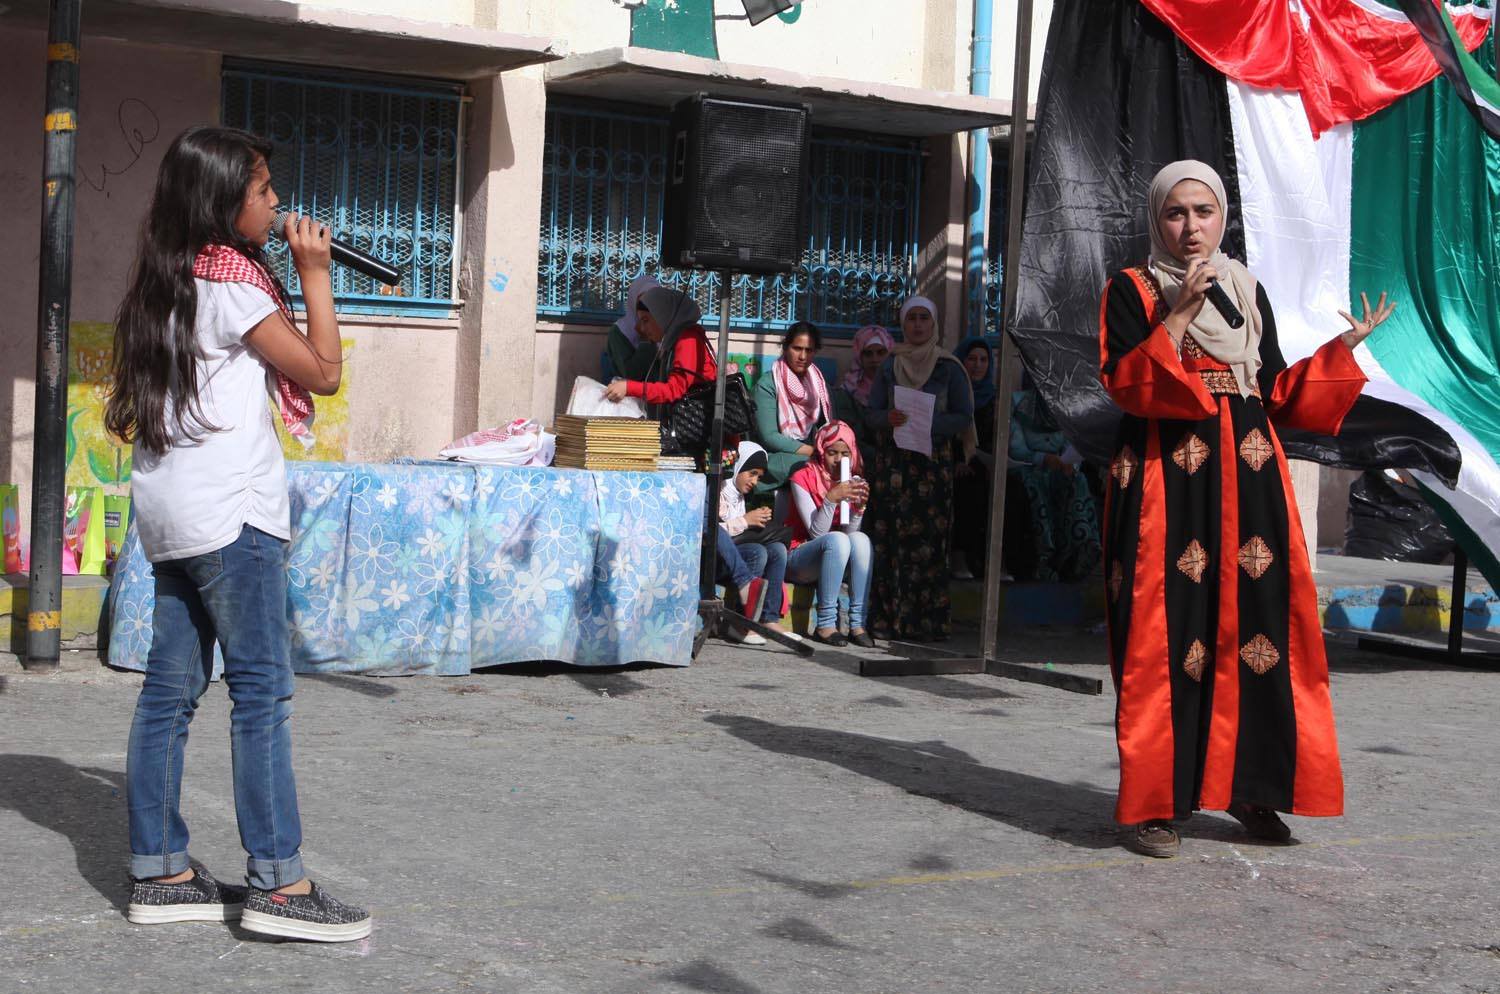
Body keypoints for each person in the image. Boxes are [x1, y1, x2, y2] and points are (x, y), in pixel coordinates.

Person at [105, 126, 371, 940]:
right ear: (223, 202)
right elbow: (323, 372)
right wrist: (315, 273)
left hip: (171, 514)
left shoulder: (164, 280)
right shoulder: (234, 284)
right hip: (233, 516)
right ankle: (280, 884)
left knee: (168, 693)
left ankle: (160, 870)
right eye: (262, 190)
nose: (278, 203)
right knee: (261, 693)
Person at [1099, 159, 1395, 858]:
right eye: (1176, 213)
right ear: (1157, 219)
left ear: (1222, 218)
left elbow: (1276, 390)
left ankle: (1250, 787)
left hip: (1249, 474)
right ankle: (1157, 806)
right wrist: (1179, 311)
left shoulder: (1245, 289)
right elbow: (1125, 383)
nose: (1190, 227)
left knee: (1260, 629)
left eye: (1203, 212)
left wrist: (1343, 350)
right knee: (1168, 633)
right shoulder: (1131, 288)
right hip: (1166, 480)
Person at [863, 297, 976, 641]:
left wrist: (929, 423)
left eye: (923, 318)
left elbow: (964, 415)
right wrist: (888, 418)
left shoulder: (949, 367)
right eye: (911, 318)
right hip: (894, 467)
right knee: (892, 542)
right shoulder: (891, 364)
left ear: (934, 323)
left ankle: (926, 623)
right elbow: (871, 414)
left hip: (932, 468)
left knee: (928, 542)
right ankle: (890, 621)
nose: (917, 325)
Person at [785, 422, 874, 647]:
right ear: (821, 451)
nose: (838, 460)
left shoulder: (853, 480)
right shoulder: (802, 477)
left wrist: (858, 509)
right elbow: (817, 534)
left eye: (845, 454)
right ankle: (825, 624)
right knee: (837, 539)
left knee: (860, 539)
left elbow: (850, 535)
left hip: (834, 557)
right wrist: (831, 499)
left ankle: (857, 623)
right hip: (799, 556)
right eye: (832, 452)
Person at [1006, 387, 1101, 582]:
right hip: (1028, 466)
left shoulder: (1066, 406)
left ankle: (1078, 550)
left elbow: (1072, 445)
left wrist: (1069, 463)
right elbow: (1016, 449)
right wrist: (1043, 458)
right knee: (1034, 484)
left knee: (1077, 480)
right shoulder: (1017, 403)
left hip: (1057, 467)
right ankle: (1043, 556)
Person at [604, 286, 717, 414]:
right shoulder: (671, 341)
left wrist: (629, 387)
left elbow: (675, 389)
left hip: (700, 421)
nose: (642, 328)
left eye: (646, 320)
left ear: (662, 315)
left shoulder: (688, 339)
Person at [753, 321, 831, 496]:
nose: (802, 356)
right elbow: (769, 437)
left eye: (809, 350)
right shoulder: (768, 384)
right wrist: (813, 452)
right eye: (797, 348)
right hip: (775, 455)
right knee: (810, 467)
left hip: (810, 452)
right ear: (785, 348)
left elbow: (824, 425)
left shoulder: (817, 383)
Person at [719, 441, 790, 629]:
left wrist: (756, 519)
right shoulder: (718, 490)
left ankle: (769, 618)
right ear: (737, 466)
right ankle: (741, 622)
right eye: (752, 473)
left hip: (734, 556)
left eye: (758, 476)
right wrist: (745, 521)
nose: (754, 481)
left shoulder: (739, 496)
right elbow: (710, 532)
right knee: (757, 552)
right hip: (717, 561)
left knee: (777, 549)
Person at [950, 336, 997, 580]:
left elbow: (996, 438)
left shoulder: (994, 398)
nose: (978, 365)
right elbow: (946, 432)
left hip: (985, 462)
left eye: (983, 359)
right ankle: (960, 556)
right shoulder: (951, 393)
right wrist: (958, 460)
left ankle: (998, 560)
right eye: (971, 359)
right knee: (968, 487)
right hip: (954, 462)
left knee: (1013, 489)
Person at [832, 324, 894, 453]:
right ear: (859, 356)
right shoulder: (847, 392)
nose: (875, 359)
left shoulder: (897, 388)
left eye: (881, 353)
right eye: (868, 353)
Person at [602, 273, 660, 382]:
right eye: (643, 301)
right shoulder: (619, 332)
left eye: (653, 300)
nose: (648, 305)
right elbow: (631, 375)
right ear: (633, 301)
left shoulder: (662, 327)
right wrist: (645, 340)